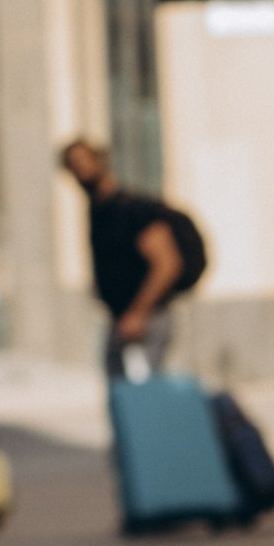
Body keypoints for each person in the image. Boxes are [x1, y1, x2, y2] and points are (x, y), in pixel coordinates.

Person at [60, 139, 203, 379]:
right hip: (121, 318)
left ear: (99, 161)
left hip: (146, 319)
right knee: (123, 394)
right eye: (73, 166)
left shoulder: (131, 209)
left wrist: (139, 313)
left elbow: (167, 264)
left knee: (141, 396)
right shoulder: (99, 210)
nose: (80, 171)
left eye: (84, 162)